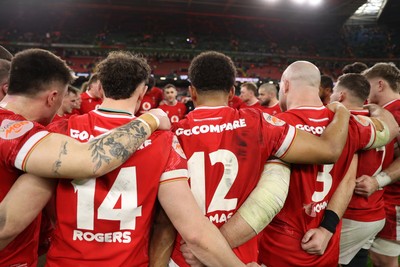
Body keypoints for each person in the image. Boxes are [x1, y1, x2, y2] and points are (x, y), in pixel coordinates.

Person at [38, 51, 256, 266]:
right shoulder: (163, 141)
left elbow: (41, 199)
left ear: (101, 87)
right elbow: (194, 230)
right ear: (142, 92)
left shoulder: (61, 130)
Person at [162, 51, 354, 266]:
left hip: (185, 255)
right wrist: (342, 111)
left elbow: (161, 220)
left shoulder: (170, 135)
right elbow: (329, 150)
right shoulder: (259, 124)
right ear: (232, 92)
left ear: (192, 91)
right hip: (240, 255)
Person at [0, 48, 169, 267]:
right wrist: (150, 120)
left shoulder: (50, 130)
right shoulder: (11, 129)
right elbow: (90, 159)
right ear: (53, 97)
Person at [257, 61, 397, 267]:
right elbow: (390, 127)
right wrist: (373, 107)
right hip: (325, 243)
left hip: (279, 245)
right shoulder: (349, 125)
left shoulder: (271, 126)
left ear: (285, 85)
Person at [329, 73, 387, 266]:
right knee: (357, 261)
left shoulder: (344, 125)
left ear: (341, 95)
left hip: (353, 212)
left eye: (334, 91)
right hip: (374, 209)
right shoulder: (381, 123)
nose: (330, 96)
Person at [360, 62, 400, 267]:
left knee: (384, 260)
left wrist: (378, 181)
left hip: (394, 199)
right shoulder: (384, 110)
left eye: (368, 85)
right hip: (384, 198)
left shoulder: (396, 110)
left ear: (380, 85)